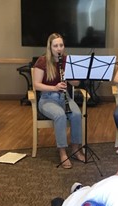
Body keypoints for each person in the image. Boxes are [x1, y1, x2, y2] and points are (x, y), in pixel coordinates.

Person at [33, 33, 85, 169]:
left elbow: (77, 83)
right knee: (60, 115)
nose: (59, 48)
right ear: (50, 47)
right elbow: (36, 85)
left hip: (64, 97)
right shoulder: (42, 61)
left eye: (61, 45)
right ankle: (62, 151)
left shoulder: (68, 60)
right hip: (47, 99)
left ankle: (75, 149)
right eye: (55, 45)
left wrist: (70, 77)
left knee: (76, 115)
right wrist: (54, 87)